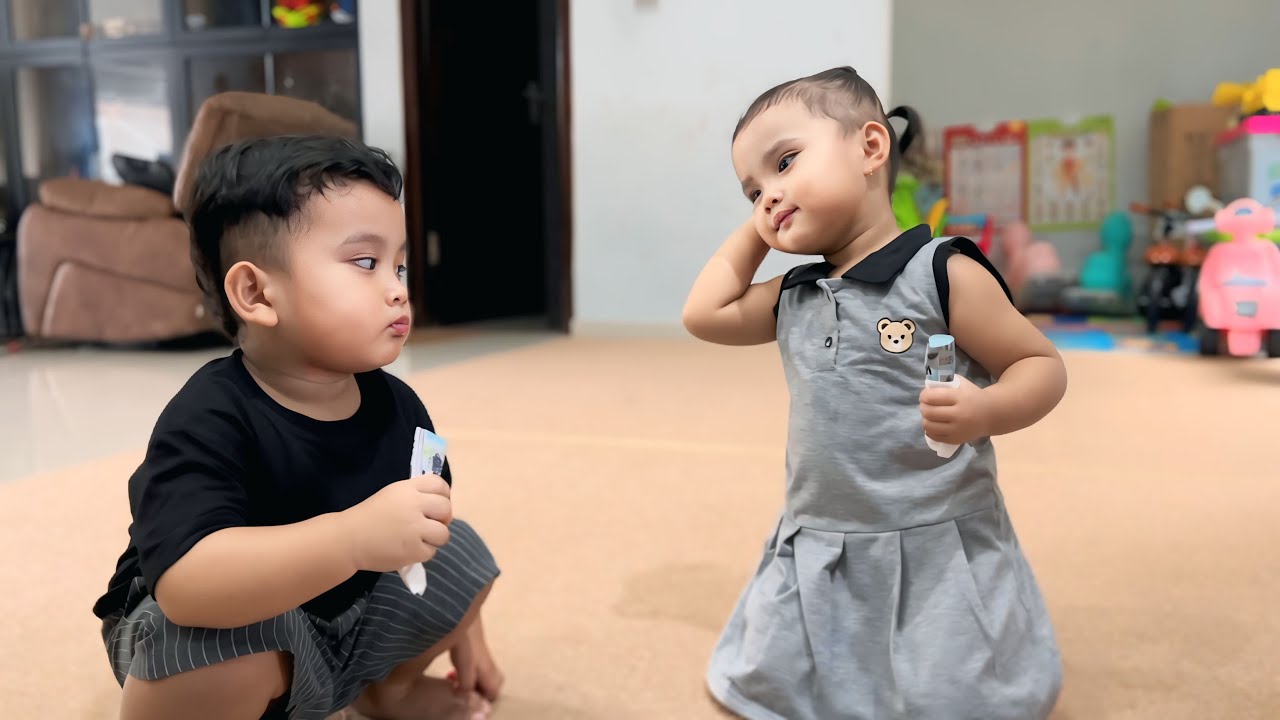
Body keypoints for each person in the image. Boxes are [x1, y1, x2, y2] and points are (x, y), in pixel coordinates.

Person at [682, 66, 1067, 720]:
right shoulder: (796, 294)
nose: (768, 195)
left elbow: (1040, 364)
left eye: (785, 161)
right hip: (824, 527)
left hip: (931, 533)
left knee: (957, 693)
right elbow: (705, 314)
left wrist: (985, 409)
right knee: (770, 687)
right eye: (751, 190)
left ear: (870, 148)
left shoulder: (942, 272)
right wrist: (764, 220)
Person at [92, 135, 502, 720]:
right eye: (366, 263)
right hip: (211, 620)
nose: (396, 287)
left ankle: (382, 692)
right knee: (204, 643)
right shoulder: (210, 414)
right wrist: (351, 538)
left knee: (459, 548)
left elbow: (424, 534)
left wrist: (468, 635)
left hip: (336, 618)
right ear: (256, 292)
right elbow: (187, 586)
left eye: (400, 264)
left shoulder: (402, 409)